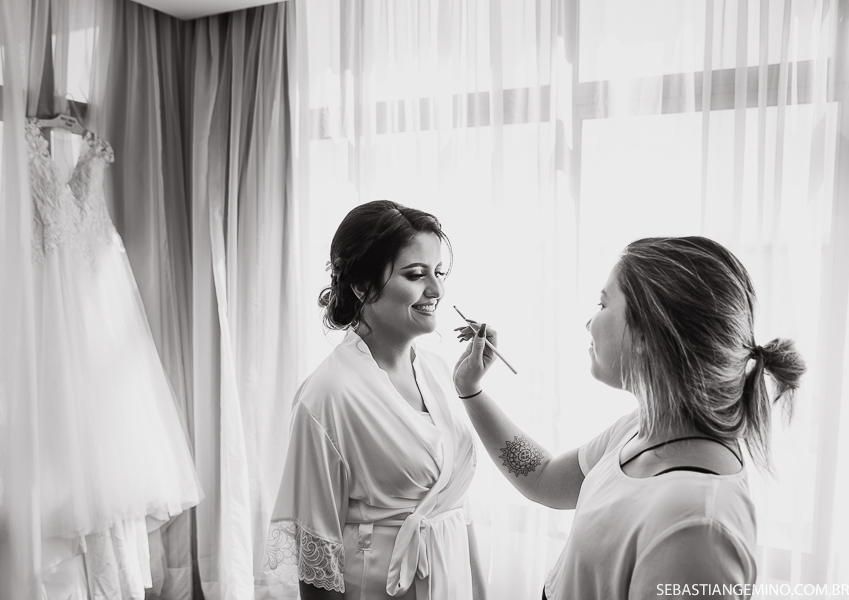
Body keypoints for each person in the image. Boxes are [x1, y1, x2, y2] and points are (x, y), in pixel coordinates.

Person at [453, 236, 805, 599]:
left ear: (645, 333)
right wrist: (470, 390)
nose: (589, 322)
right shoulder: (643, 426)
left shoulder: (698, 522)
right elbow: (543, 477)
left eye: (603, 304)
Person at [266, 200, 485, 600]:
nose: (435, 290)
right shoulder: (327, 395)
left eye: (439, 272)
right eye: (416, 274)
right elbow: (316, 552)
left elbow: (454, 505)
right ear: (362, 285)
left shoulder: (437, 370)